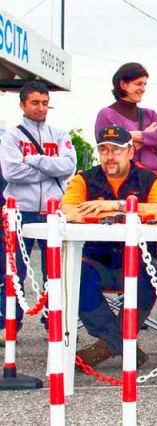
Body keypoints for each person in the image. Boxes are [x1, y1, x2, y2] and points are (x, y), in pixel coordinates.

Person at [61, 125, 157, 367]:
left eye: (116, 150)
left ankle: (110, 344)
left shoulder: (150, 179)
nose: (109, 156)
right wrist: (101, 214)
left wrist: (114, 206)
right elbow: (67, 209)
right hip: (96, 260)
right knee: (73, 275)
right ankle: (121, 344)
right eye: (104, 150)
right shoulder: (84, 179)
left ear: (131, 152)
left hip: (138, 260)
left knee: (151, 272)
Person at [0, 81, 77, 341]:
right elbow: (11, 171)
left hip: (52, 212)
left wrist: (32, 160)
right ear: (22, 104)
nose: (41, 107)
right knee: (13, 270)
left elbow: (68, 166)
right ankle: (7, 324)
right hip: (20, 211)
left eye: (45, 103)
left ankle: (53, 321)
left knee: (54, 272)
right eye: (35, 102)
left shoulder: (59, 134)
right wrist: (49, 167)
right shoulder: (11, 136)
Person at [95, 62, 157, 174]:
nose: (143, 89)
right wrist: (150, 139)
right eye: (138, 84)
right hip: (125, 181)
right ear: (123, 84)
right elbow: (111, 153)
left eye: (145, 84)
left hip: (155, 180)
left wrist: (136, 135)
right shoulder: (106, 114)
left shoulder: (150, 114)